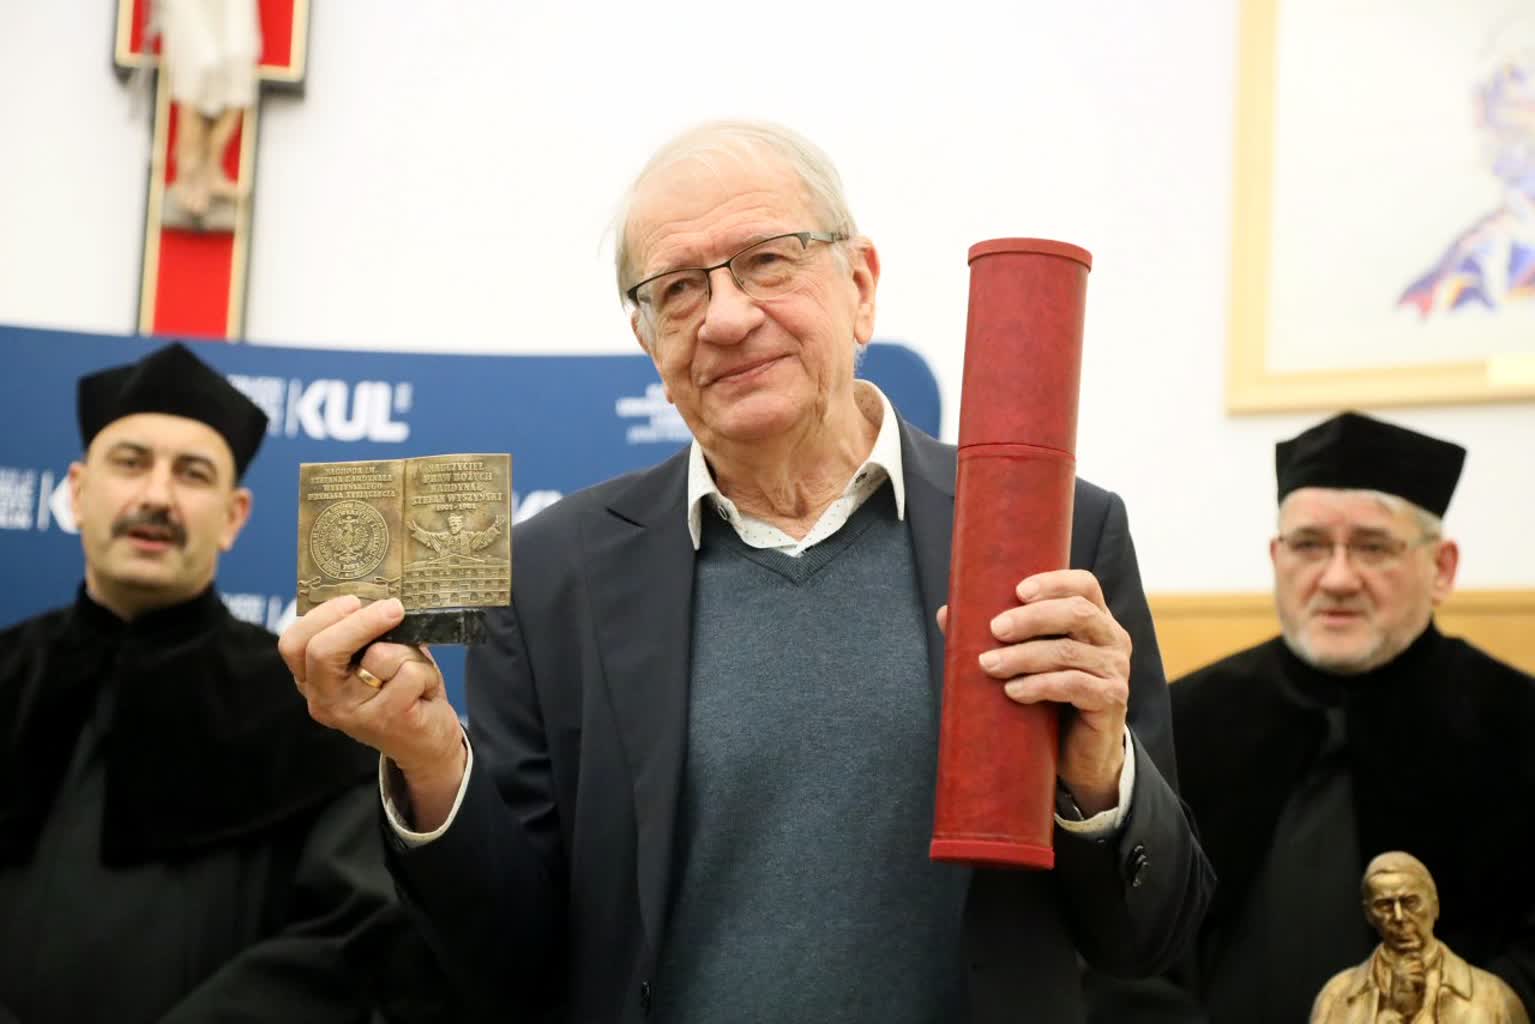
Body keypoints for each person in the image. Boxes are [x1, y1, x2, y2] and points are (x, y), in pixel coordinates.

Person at [281, 120, 1213, 1022]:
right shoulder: (550, 577)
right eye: (678, 289)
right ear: (648, 340)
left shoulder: (1055, 533)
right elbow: (510, 968)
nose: (726, 318)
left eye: (768, 260)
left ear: (860, 286)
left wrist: (1098, 777)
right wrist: (429, 760)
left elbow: (1149, 938)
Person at [0, 342, 449, 1023]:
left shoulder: (313, 705)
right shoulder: (8, 672)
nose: (156, 496)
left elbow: (355, 929)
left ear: (234, 515)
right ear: (78, 492)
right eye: (130, 463)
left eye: (192, 474)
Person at [1098, 411, 1535, 1023]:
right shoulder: (1180, 719)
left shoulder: (1518, 724)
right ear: (1277, 557)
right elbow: (1117, 937)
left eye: (1373, 547)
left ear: (1442, 568)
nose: (1337, 578)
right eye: (1308, 545)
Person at [1312, 852, 1528, 1024]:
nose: (1398, 917)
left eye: (1410, 902)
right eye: (1384, 905)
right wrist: (1391, 1015)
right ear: (1369, 914)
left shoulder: (1494, 996)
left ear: (1435, 905)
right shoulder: (1335, 997)